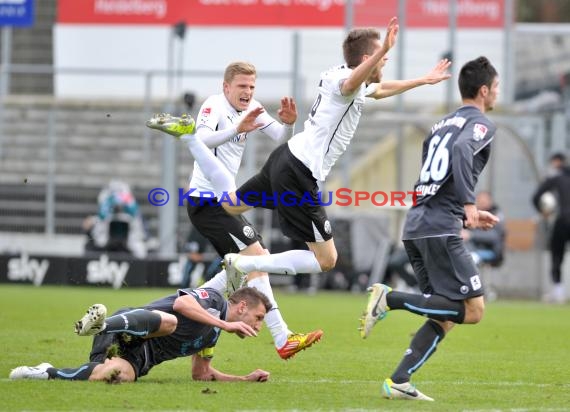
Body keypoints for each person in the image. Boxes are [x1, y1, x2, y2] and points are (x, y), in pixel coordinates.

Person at [147, 17, 451, 288]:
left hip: (285, 158)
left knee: (231, 206)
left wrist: (423, 80)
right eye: (381, 61)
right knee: (326, 259)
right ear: (368, 58)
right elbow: (351, 84)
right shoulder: (343, 81)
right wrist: (384, 50)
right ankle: (245, 263)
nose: (384, 66)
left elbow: (380, 89)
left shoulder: (345, 78)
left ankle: (189, 141)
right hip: (300, 171)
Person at [152, 61, 323, 360]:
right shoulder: (213, 105)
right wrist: (236, 129)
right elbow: (201, 139)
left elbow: (281, 139)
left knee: (243, 269)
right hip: (207, 201)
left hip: (224, 200)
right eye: (242, 86)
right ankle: (283, 338)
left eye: (251, 87)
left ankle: (192, 313)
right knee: (256, 260)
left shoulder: (253, 106)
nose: (247, 92)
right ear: (226, 86)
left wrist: (289, 123)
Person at [358, 56, 500, 401]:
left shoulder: (439, 125)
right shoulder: (479, 124)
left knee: (445, 314)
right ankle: (387, 298)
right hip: (440, 229)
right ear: (483, 91)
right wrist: (467, 205)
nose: (497, 94)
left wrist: (465, 209)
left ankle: (399, 381)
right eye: (495, 88)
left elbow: (433, 174)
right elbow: (464, 151)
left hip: (418, 225)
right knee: (473, 310)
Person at [9, 287, 272, 383]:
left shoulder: (212, 335)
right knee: (170, 321)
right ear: (241, 307)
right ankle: (103, 325)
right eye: (259, 317)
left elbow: (201, 374)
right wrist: (225, 325)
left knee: (116, 376)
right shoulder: (213, 300)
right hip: (130, 327)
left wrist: (244, 379)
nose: (259, 326)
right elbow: (181, 305)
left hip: (141, 357)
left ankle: (45, 372)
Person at [532, 152, 570, 304]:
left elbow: (536, 197)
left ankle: (558, 291)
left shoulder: (555, 178)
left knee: (557, 256)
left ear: (557, 163)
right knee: (557, 255)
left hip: (562, 220)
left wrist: (543, 212)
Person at [462, 190, 506, 267]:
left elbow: (494, 236)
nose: (481, 202)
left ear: (490, 201)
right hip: (472, 247)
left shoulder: (496, 215)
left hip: (491, 250)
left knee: (470, 258)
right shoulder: (473, 213)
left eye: (484, 200)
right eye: (479, 200)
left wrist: (471, 235)